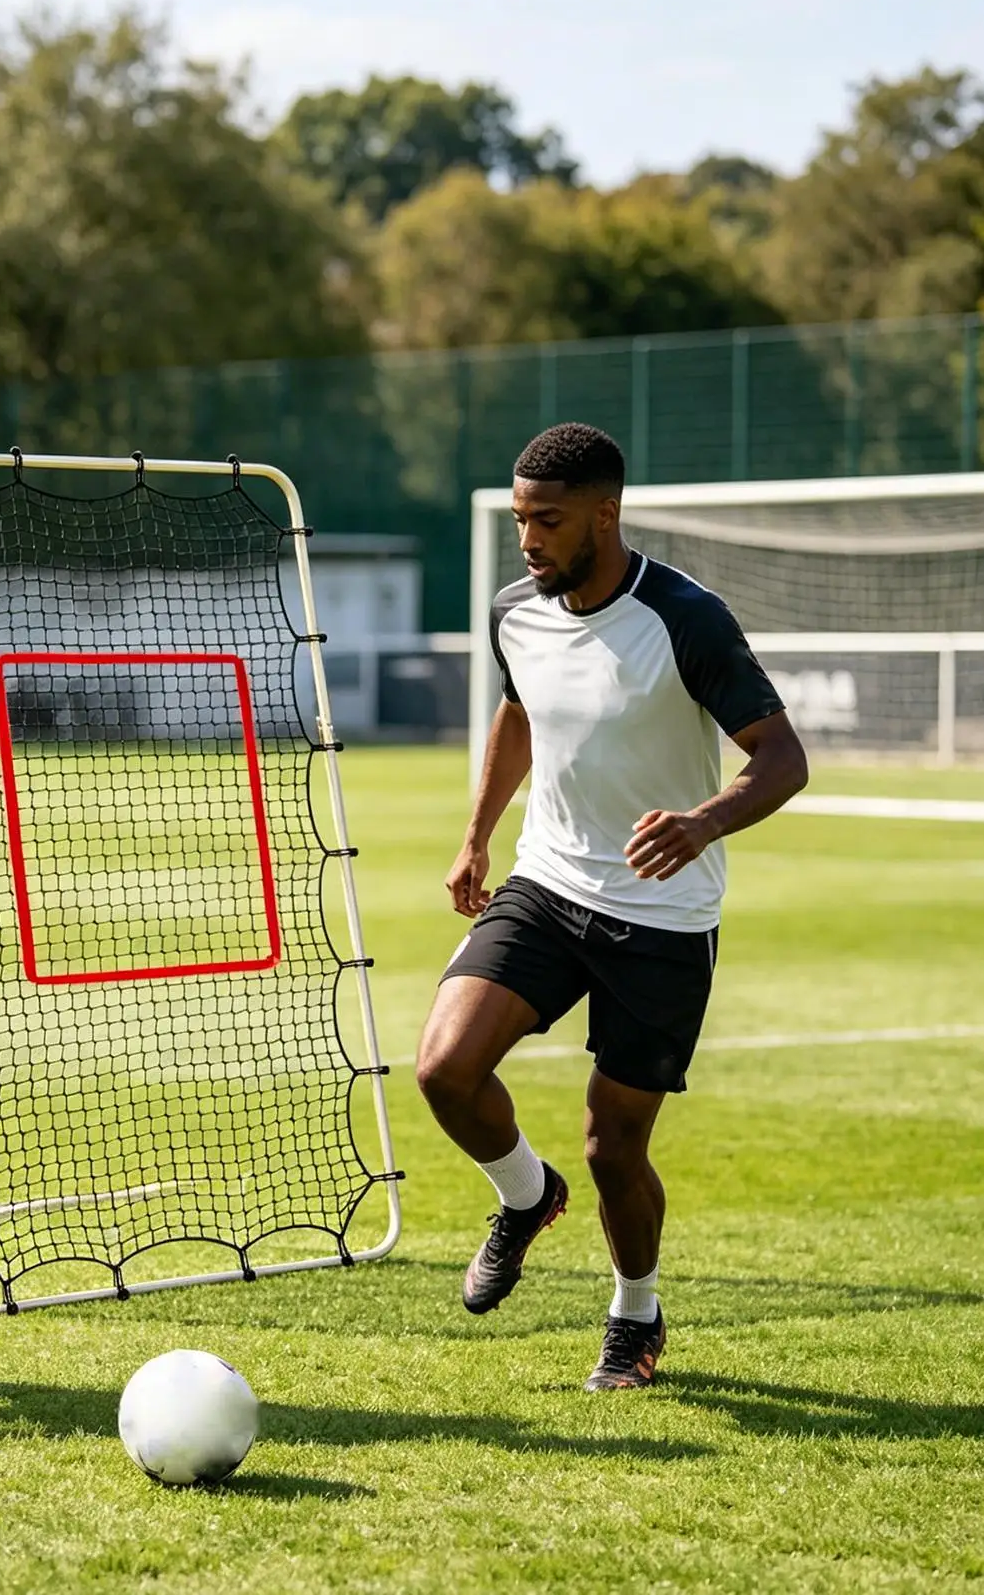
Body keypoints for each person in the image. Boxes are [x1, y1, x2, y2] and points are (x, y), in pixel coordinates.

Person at [417, 423, 809, 1389]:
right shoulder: (515, 613)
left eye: (547, 520)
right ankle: (524, 1195)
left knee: (612, 1146)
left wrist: (702, 822)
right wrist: (475, 836)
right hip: (547, 885)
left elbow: (782, 758)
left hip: (662, 917)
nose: (527, 539)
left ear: (605, 514)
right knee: (444, 1069)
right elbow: (517, 712)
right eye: (520, 519)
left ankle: (635, 1313)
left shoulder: (686, 618)